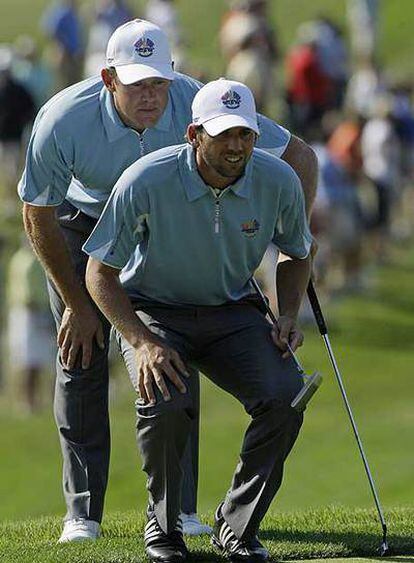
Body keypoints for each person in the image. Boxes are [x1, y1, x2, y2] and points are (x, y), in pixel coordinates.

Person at [18, 19, 317, 543]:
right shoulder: (63, 118)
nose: (151, 95)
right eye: (137, 85)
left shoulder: (197, 102)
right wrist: (76, 302)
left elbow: (298, 156)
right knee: (81, 353)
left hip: (163, 221)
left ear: (173, 75)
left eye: (159, 82)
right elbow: (37, 210)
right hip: (82, 221)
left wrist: (290, 231)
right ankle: (83, 513)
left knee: (171, 349)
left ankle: (179, 512)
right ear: (109, 79)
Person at [84, 78, 312, 562]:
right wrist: (140, 341)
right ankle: (164, 530)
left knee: (286, 396)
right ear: (193, 134)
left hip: (232, 310)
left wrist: (288, 312)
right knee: (167, 400)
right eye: (223, 134)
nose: (236, 146)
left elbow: (295, 252)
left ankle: (237, 528)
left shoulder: (278, 180)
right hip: (155, 311)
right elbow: (100, 273)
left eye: (245, 135)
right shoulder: (145, 180)